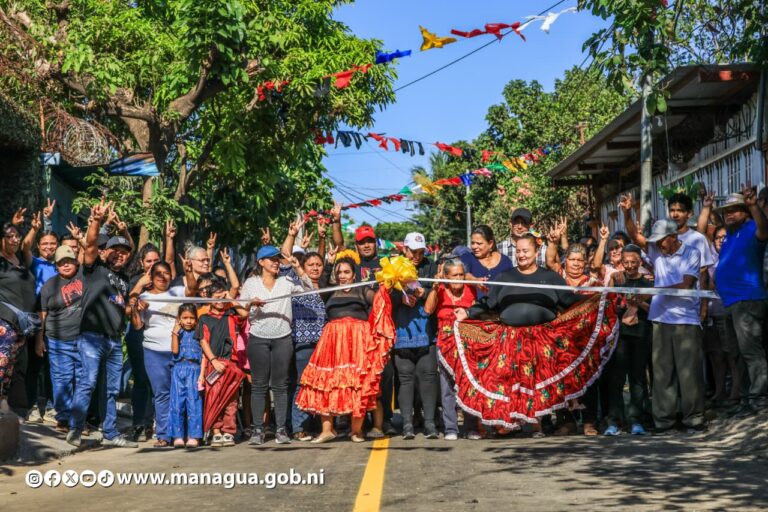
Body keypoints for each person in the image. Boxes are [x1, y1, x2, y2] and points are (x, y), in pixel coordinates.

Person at [443, 235, 619, 428]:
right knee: (507, 382)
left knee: (545, 383)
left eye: (525, 251)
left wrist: (598, 298)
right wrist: (467, 312)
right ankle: (508, 424)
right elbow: (488, 303)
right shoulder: (505, 277)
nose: (521, 255)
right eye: (518, 251)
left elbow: (569, 301)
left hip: (544, 341)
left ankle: (552, 424)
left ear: (536, 252)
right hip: (509, 340)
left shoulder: (551, 277)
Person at [295, 250, 396, 443]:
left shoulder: (362, 290)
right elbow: (321, 280)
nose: (342, 276)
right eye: (340, 272)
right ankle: (327, 430)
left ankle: (356, 431)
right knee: (328, 384)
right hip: (332, 343)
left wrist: (386, 285)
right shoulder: (329, 290)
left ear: (353, 274)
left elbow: (379, 302)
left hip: (358, 343)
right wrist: (330, 262)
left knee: (358, 384)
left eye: (347, 272)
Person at [67, 199, 137, 448]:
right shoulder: (93, 268)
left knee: (111, 389)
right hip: (91, 337)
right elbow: (91, 244)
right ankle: (75, 429)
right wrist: (96, 221)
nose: (120, 255)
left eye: (124, 253)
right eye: (115, 251)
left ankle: (110, 433)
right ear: (105, 252)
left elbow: (133, 252)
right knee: (88, 382)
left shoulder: (123, 278)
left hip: (114, 340)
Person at [637, 219, 705, 434]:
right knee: (662, 373)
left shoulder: (692, 253)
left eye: (661, 241)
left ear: (673, 237)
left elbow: (686, 284)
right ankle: (664, 420)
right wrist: (627, 213)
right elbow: (636, 238)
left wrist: (654, 291)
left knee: (689, 373)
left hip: (686, 320)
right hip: (660, 319)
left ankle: (693, 419)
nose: (657, 245)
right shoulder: (657, 253)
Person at [240, 245, 313, 445]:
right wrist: (250, 304)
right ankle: (258, 430)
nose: (275, 262)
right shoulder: (250, 283)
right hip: (258, 338)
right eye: (271, 259)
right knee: (259, 386)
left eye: (277, 259)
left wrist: (298, 268)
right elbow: (242, 312)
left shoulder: (286, 282)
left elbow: (310, 290)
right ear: (261, 262)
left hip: (283, 338)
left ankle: (281, 429)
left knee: (280, 385)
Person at [708, 188, 768, 414]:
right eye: (727, 212)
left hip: (748, 299)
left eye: (735, 211)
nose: (729, 215)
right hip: (731, 303)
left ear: (745, 212)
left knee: (751, 351)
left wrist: (753, 206)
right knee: (736, 353)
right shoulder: (731, 234)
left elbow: (765, 230)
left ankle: (759, 397)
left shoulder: (753, 228)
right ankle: (745, 398)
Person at [128, 260, 197, 448]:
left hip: (180, 351)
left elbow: (192, 290)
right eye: (157, 273)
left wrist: (189, 272)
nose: (162, 276)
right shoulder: (144, 297)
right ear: (150, 277)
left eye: (166, 272)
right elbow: (137, 325)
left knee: (184, 392)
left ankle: (184, 434)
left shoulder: (177, 291)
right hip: (154, 352)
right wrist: (135, 308)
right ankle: (164, 435)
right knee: (162, 394)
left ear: (171, 275)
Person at [281, 220, 329, 441]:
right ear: (303, 267)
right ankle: (299, 426)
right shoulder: (296, 282)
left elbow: (325, 258)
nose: (316, 268)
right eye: (311, 265)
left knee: (323, 384)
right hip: (303, 343)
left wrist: (322, 237)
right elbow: (284, 258)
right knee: (303, 382)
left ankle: (323, 426)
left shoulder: (328, 282)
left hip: (325, 344)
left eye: (319, 264)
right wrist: (292, 235)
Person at [424, 256, 477, 440]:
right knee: (447, 387)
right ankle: (451, 428)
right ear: (446, 276)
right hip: (445, 344)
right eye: (454, 275)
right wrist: (435, 286)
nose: (458, 279)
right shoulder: (440, 289)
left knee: (468, 384)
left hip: (467, 343)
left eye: (461, 275)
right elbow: (428, 310)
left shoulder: (471, 289)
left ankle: (471, 428)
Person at [392, 232, 439, 440]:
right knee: (405, 379)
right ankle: (407, 424)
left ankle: (430, 424)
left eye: (421, 252)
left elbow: (438, 291)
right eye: (413, 251)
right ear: (404, 249)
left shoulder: (431, 266)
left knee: (428, 377)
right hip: (402, 331)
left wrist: (425, 292)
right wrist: (400, 299)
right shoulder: (392, 266)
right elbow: (385, 295)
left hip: (427, 330)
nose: (417, 256)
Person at [603, 245, 653, 435]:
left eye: (634, 262)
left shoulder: (648, 283)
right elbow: (607, 305)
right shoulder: (617, 280)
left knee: (638, 379)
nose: (630, 266)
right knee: (616, 379)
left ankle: (636, 420)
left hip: (641, 335)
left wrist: (639, 302)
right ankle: (614, 421)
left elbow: (653, 311)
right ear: (621, 263)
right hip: (619, 337)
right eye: (626, 262)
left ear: (640, 263)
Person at [37, 246, 84, 433]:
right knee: (62, 380)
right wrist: (39, 340)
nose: (65, 265)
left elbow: (89, 251)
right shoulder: (49, 286)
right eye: (61, 262)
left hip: (83, 339)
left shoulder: (83, 278)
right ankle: (64, 418)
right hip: (57, 341)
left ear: (76, 263)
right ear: (56, 265)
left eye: (69, 261)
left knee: (83, 380)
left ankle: (79, 419)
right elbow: (42, 315)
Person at [198, 281, 249, 447]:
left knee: (231, 401)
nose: (220, 301)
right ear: (209, 299)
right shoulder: (204, 318)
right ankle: (216, 431)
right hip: (214, 364)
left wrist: (230, 298)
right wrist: (213, 360)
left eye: (222, 297)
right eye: (216, 298)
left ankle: (229, 431)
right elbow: (203, 341)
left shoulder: (231, 314)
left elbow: (244, 313)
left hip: (231, 363)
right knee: (214, 398)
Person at [0, 214, 37, 417]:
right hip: (3, 323)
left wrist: (29, 228)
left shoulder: (20, 260)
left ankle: (4, 405)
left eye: (17, 236)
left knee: (9, 371)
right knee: (1, 366)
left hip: (20, 326)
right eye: (10, 236)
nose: (15, 239)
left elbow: (27, 244)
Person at [169, 304, 203, 448]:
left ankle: (194, 436)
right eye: (185, 318)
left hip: (194, 369)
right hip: (178, 368)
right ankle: (177, 436)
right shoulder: (178, 332)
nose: (188, 321)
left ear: (196, 320)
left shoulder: (199, 332)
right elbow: (175, 351)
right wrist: (175, 333)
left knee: (194, 403)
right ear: (179, 319)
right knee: (177, 403)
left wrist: (202, 374)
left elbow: (204, 354)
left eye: (191, 318)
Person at [460, 225, 514, 294]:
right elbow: (464, 274)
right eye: (473, 243)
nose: (474, 246)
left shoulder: (505, 261)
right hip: (475, 303)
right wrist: (474, 280)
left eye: (479, 243)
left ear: (490, 243)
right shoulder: (467, 257)